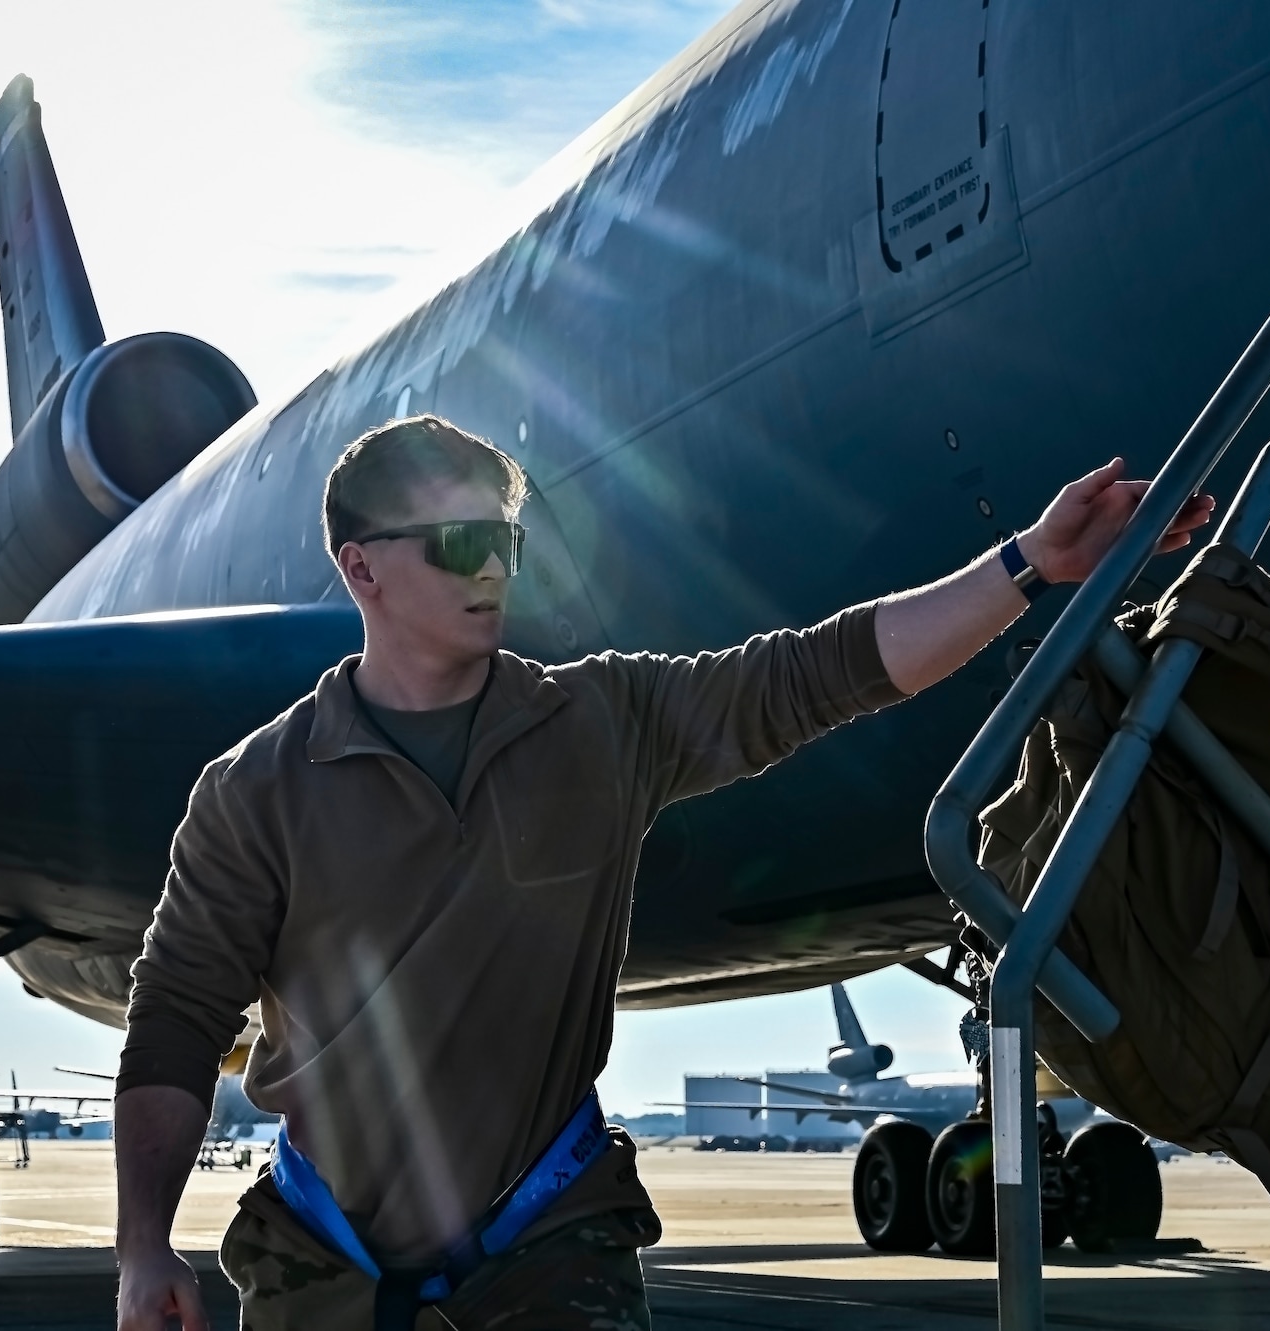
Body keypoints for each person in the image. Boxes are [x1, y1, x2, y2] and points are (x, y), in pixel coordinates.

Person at [113, 415, 1213, 1331]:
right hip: (324, 1263)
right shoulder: (254, 788)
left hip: (549, 1240)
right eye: (453, 542)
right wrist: (142, 1246)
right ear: (361, 566)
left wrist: (1028, 564)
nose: (490, 565)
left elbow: (815, 673)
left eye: (503, 538)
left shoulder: (600, 721)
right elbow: (173, 1019)